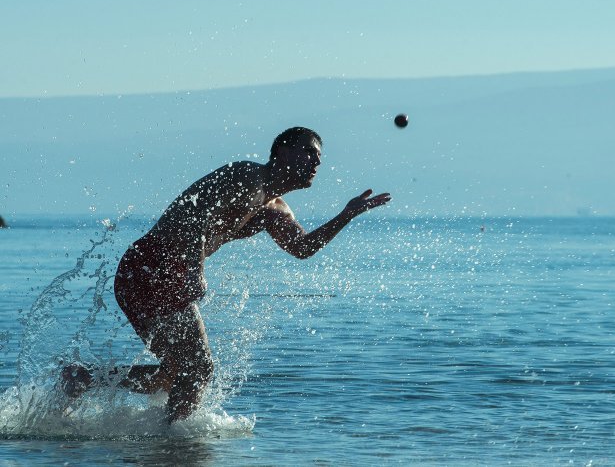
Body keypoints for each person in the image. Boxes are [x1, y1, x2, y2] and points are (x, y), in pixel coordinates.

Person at [62, 127, 391, 423]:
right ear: (284, 152)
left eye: (319, 157)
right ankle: (172, 439)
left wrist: (346, 215)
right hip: (151, 267)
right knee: (199, 370)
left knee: (177, 372)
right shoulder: (246, 178)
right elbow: (193, 220)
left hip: (162, 273)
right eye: (309, 152)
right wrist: (193, 270)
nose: (316, 162)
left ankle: (85, 378)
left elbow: (302, 248)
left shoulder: (275, 207)